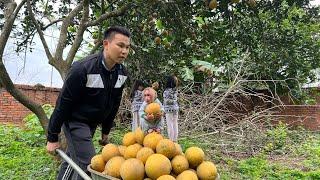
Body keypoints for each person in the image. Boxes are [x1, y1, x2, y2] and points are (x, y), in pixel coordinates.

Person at [46, 26, 131, 180]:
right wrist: (52, 137)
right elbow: (63, 103)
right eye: (120, 45)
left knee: (73, 160)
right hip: (75, 121)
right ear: (106, 44)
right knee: (88, 166)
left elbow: (114, 103)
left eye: (127, 47)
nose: (124, 51)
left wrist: (106, 130)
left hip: (92, 123)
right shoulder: (82, 68)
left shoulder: (121, 73)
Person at [163, 75, 179, 142]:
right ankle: (175, 139)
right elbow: (175, 99)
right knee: (175, 123)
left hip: (169, 110)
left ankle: (171, 140)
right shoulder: (175, 90)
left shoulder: (166, 91)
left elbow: (166, 101)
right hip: (175, 109)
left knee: (170, 125)